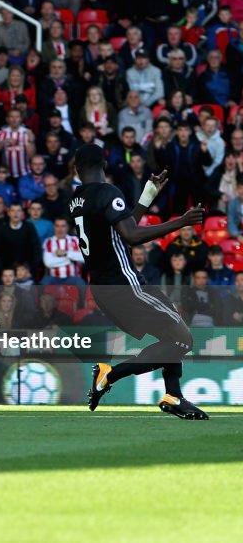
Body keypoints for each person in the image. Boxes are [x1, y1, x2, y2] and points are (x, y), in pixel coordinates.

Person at [72, 145, 208, 419]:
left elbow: (121, 228)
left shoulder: (77, 199)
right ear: (105, 163)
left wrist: (147, 195)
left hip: (102, 289)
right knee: (183, 339)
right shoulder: (108, 193)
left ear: (77, 169)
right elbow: (132, 236)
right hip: (126, 285)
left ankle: (174, 396)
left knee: (170, 337)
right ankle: (111, 374)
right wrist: (181, 221)